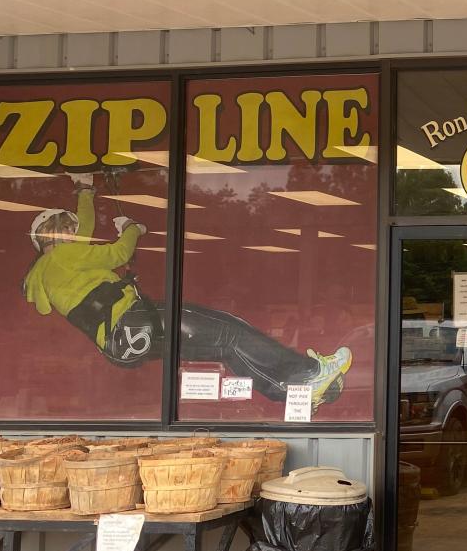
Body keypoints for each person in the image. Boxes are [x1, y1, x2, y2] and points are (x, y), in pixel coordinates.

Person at [22, 175, 352, 410]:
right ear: (55, 233)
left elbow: (87, 233)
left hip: (121, 344)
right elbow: (116, 253)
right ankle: (308, 374)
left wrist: (87, 193)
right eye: (68, 228)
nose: (75, 231)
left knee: (227, 344)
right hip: (135, 321)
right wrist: (130, 229)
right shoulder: (61, 256)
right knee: (230, 333)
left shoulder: (48, 276)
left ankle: (294, 391)